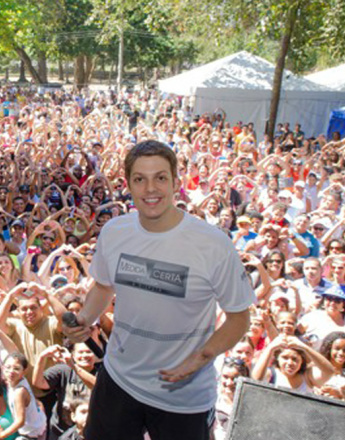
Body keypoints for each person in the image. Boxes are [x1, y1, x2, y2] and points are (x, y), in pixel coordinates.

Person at [63, 141, 256, 440]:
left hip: (182, 396)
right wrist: (85, 319)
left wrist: (201, 357)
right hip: (118, 380)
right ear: (128, 184)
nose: (150, 188)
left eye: (160, 178)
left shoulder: (212, 244)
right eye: (140, 179)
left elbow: (239, 318)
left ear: (176, 183)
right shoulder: (115, 232)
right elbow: (103, 286)